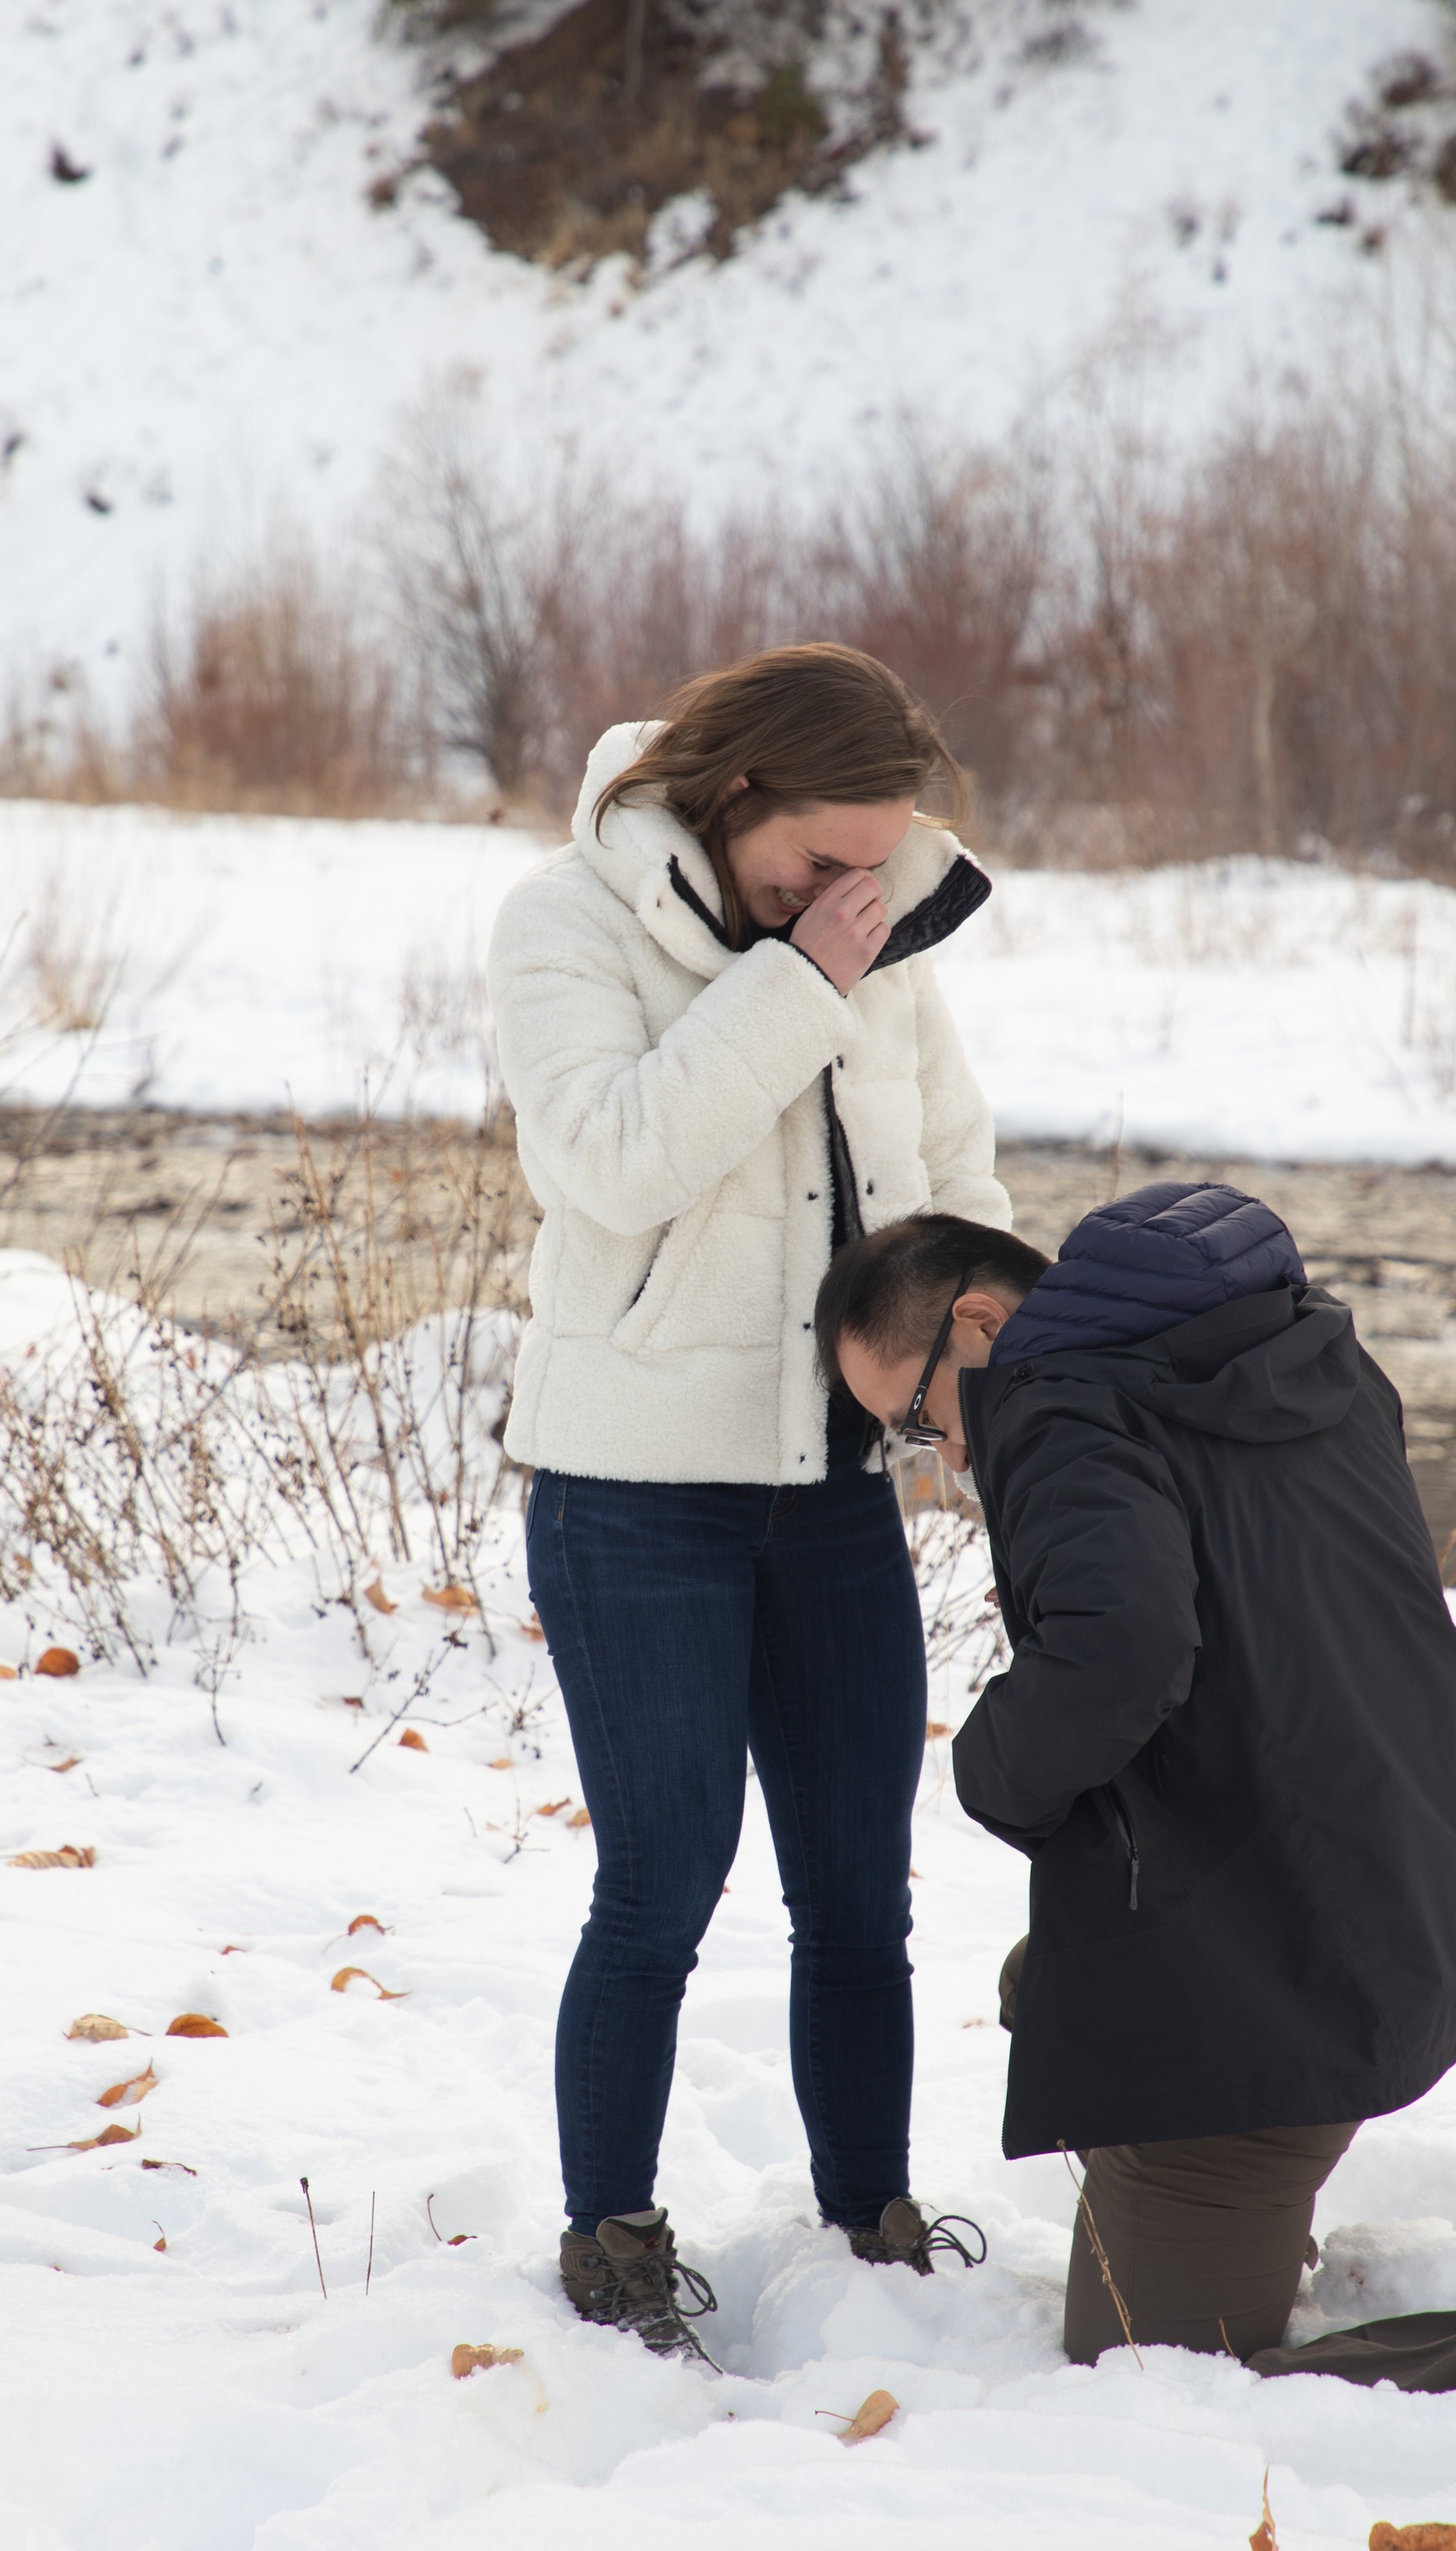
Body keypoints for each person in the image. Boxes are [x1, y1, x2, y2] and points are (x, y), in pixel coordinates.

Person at [815, 1183, 1456, 2402]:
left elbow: (1122, 1652)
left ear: (980, 1324)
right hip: (1408, 1900)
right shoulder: (1281, 1345)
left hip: (1276, 1980)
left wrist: (984, 1766)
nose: (947, 1454)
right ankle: (1242, 2203)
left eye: (918, 1415)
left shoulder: (1060, 1410)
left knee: (1148, 2367)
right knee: (1054, 1983)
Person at [487, 644, 1006, 2365]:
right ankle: (613, 2236)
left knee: (861, 1890)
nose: (851, 893)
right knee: (662, 1880)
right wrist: (791, 981)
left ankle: (869, 2211)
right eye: (818, 860)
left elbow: (944, 1178)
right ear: (730, 802)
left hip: (834, 1495)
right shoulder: (564, 924)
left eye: (877, 861)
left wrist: (978, 1379)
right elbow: (609, 1161)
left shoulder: (874, 937)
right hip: (637, 1492)